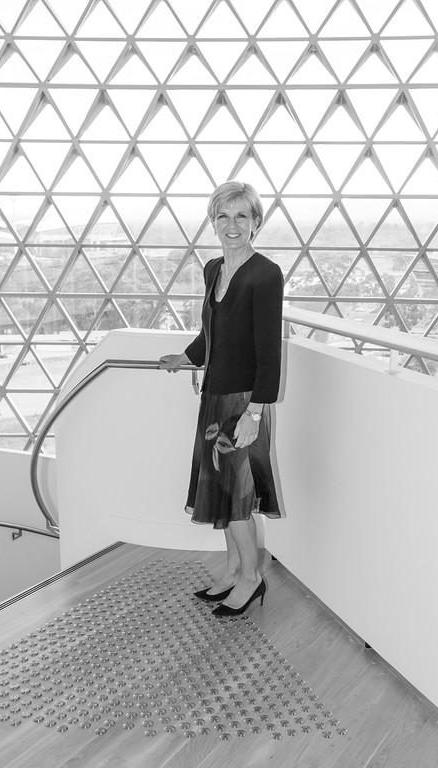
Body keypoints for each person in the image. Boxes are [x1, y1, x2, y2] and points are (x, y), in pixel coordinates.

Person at [159, 181, 283, 617]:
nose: (232, 225)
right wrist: (187, 356)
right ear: (213, 221)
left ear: (255, 223)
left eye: (241, 216)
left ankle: (252, 578)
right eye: (223, 216)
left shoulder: (266, 274)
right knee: (222, 494)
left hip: (243, 403)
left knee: (238, 501)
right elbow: (212, 332)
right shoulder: (214, 268)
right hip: (214, 398)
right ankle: (233, 569)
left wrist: (254, 412)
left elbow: (269, 353)